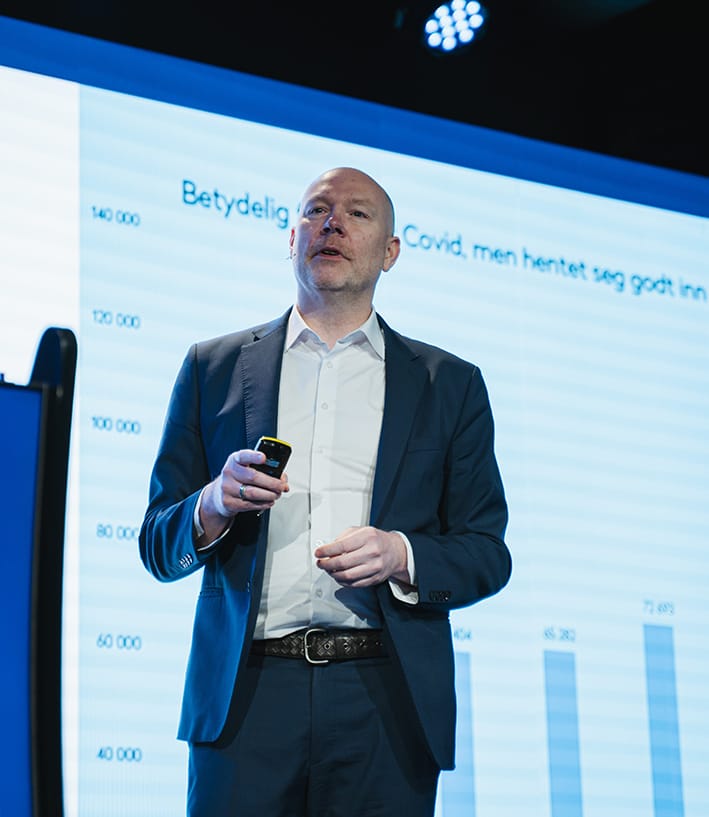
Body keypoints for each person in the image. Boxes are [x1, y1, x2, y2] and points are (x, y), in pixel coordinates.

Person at [139, 166, 511, 817]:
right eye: (316, 209)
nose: (332, 222)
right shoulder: (213, 367)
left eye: (358, 213)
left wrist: (402, 554)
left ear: (390, 251)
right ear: (291, 238)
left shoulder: (449, 384)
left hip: (384, 703)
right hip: (245, 702)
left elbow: (485, 551)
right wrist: (213, 503)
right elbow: (154, 541)